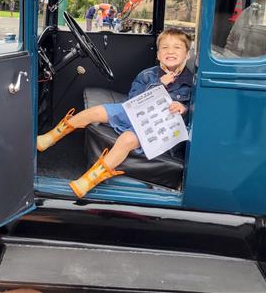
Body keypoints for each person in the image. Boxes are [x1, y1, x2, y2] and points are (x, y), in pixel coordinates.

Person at [37, 28, 193, 198]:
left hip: (154, 126)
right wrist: (158, 86)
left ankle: (91, 178)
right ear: (158, 54)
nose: (170, 51)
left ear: (187, 55)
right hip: (134, 112)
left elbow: (191, 111)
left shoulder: (190, 83)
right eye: (165, 47)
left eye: (177, 47)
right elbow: (134, 100)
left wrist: (183, 108)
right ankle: (50, 137)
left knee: (126, 139)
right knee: (94, 112)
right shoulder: (148, 75)